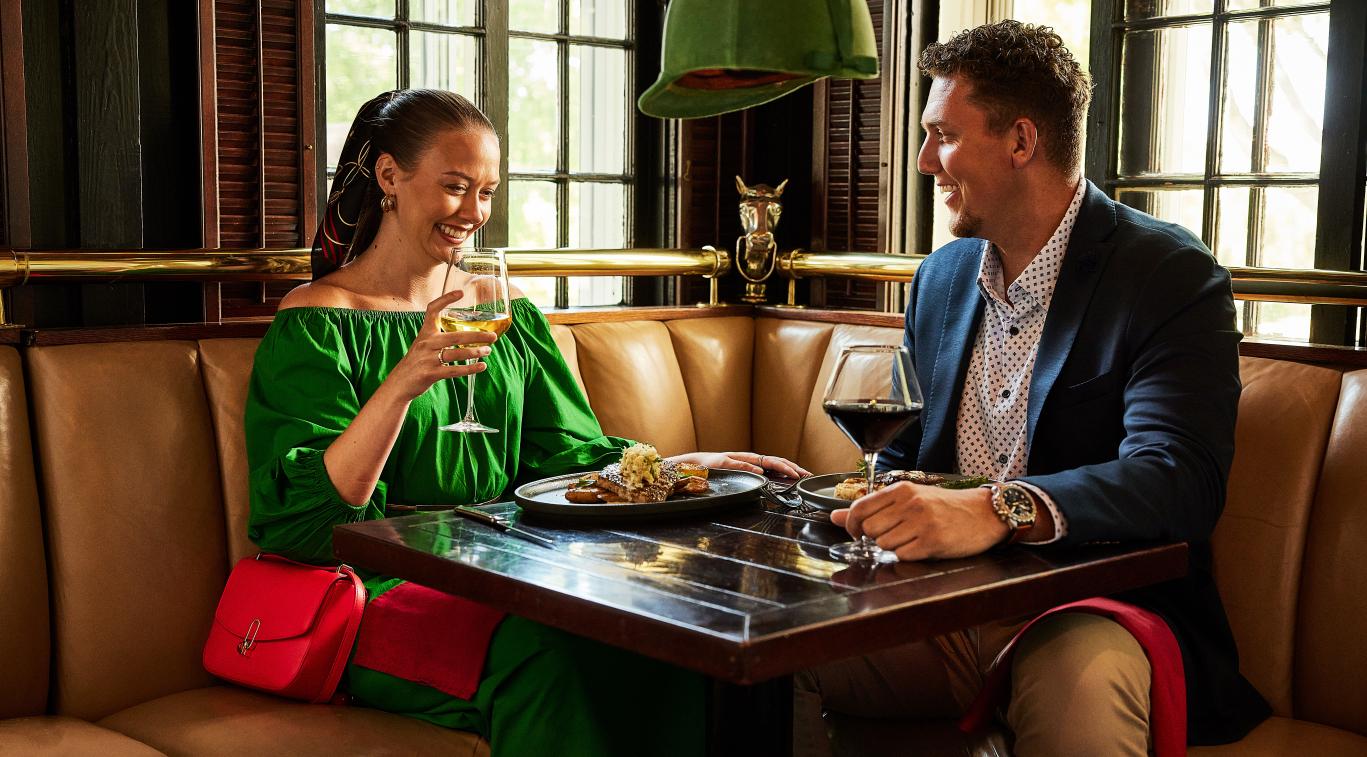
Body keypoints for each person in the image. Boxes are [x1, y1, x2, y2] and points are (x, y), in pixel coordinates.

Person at [244, 88, 807, 756]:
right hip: (373, 592)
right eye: (455, 187)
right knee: (544, 649)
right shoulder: (319, 320)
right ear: (389, 176)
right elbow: (310, 525)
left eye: (486, 192)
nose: (473, 214)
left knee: (662, 636)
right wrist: (405, 380)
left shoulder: (505, 313)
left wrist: (683, 465)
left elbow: (565, 459)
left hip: (501, 573)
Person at [795, 21, 1269, 756]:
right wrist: (867, 501)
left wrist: (996, 508)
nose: (924, 161)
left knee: (1075, 683)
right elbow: (903, 449)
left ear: (1020, 142)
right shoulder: (941, 279)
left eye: (942, 135)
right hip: (940, 600)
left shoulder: (1166, 273)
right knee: (770, 648)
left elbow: (1180, 478)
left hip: (1094, 608)